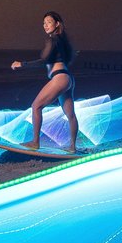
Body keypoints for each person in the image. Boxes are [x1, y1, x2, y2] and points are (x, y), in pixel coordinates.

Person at [11, 11, 79, 152]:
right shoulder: (62, 40)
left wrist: (22, 64)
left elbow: (45, 61)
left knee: (36, 106)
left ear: (57, 23)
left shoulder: (53, 39)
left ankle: (35, 142)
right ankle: (72, 147)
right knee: (70, 115)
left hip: (59, 78)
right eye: (44, 23)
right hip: (68, 78)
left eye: (48, 22)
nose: (45, 25)